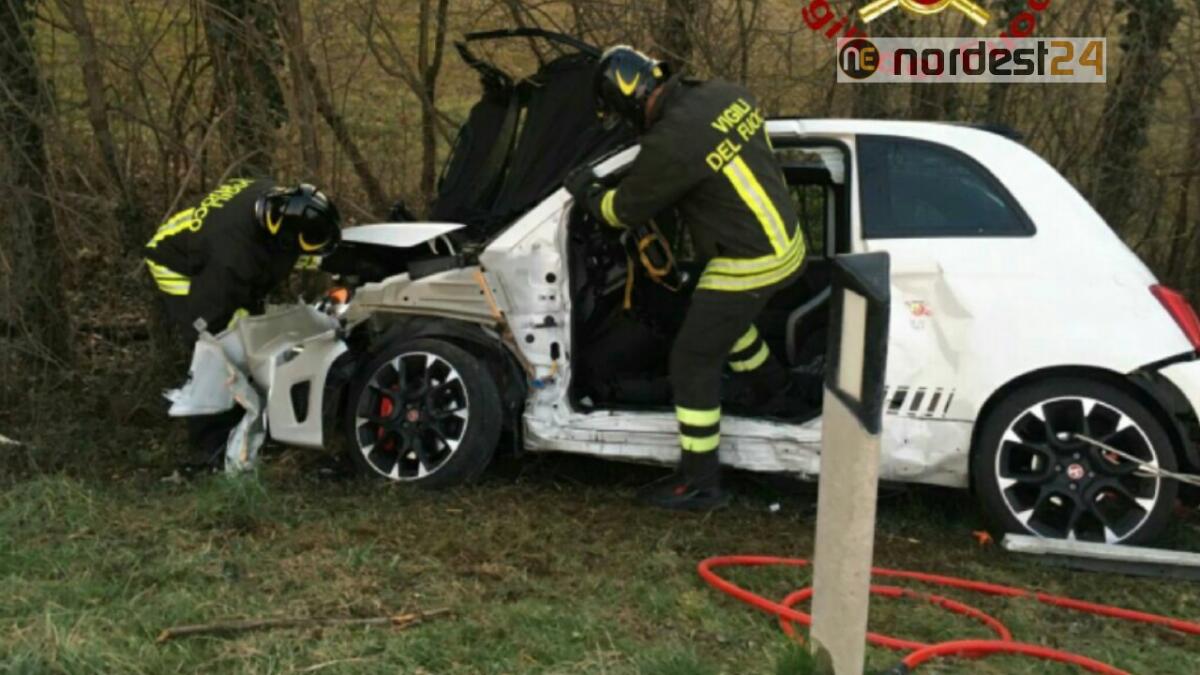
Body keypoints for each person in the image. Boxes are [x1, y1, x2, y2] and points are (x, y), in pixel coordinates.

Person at [566, 46, 806, 511]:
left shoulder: (671, 143)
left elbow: (619, 212)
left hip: (751, 259)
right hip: (787, 241)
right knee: (719, 320)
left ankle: (700, 481)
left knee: (692, 360)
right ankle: (776, 392)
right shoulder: (726, 94)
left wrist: (587, 190)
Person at [144, 179, 341, 473]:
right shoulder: (232, 259)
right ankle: (211, 444)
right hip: (174, 263)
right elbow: (209, 314)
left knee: (248, 331)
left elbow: (295, 256)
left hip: (204, 242)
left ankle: (252, 407)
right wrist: (217, 340)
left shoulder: (275, 203)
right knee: (216, 348)